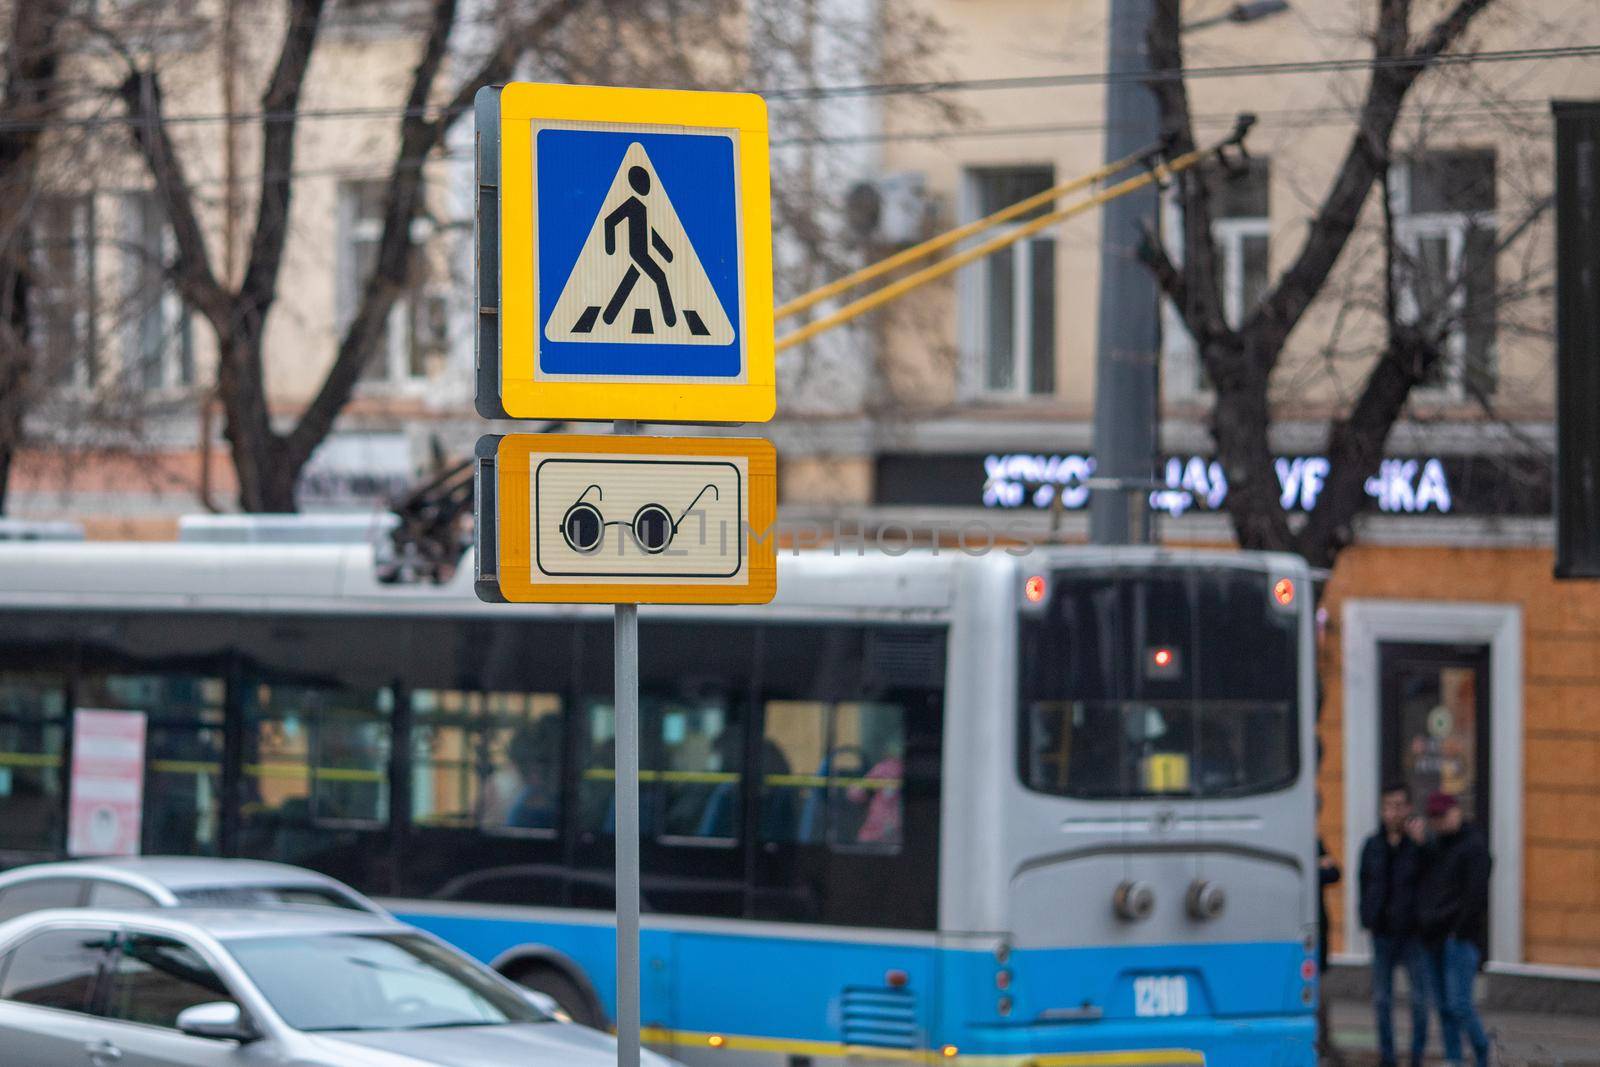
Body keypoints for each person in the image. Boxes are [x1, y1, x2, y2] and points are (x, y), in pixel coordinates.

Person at [1416, 791, 1493, 1067]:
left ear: (1456, 812)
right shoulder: (1435, 847)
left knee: (1460, 1004)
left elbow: (1475, 897)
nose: (1438, 822)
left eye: (1442, 815)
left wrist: (1458, 931)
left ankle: (1483, 1053)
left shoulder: (1473, 846)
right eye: (1433, 817)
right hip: (1432, 936)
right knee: (1444, 1007)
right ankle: (1453, 1058)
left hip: (1459, 938)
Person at [1360, 782, 1430, 1067]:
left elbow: (1434, 877)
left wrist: (1422, 845)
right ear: (1382, 810)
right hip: (1382, 932)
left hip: (1413, 933)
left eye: (1400, 806)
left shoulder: (1419, 844)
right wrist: (1366, 916)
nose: (1394, 812)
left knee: (1419, 1001)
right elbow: (1364, 882)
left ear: (1409, 808)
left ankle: (1416, 1057)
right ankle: (1388, 1058)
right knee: (1382, 1000)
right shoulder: (1373, 844)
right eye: (1389, 806)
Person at [1316, 835, 1345, 1066]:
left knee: (1320, 994)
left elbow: (1333, 872)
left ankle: (1324, 1045)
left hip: (1317, 932)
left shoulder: (1314, 840)